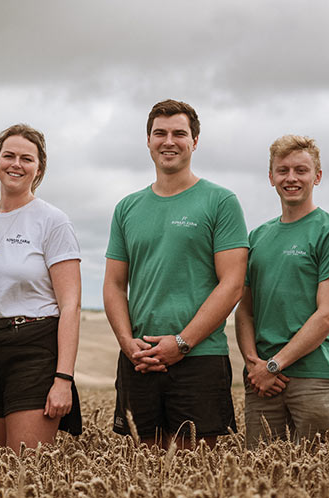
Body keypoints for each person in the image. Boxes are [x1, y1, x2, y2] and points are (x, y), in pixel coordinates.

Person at [103, 99, 248, 449]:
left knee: (194, 474)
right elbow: (113, 284)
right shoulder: (127, 207)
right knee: (142, 474)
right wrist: (127, 345)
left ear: (194, 141)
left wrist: (181, 343)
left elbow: (233, 284)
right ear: (148, 141)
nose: (169, 141)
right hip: (141, 359)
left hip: (199, 358)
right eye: (160, 133)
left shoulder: (220, 202)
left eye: (179, 133)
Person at [0, 124, 82, 453]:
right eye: (8, 155)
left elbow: (70, 306)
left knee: (26, 466)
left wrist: (63, 379)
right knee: (1, 468)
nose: (16, 164)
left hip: (33, 350)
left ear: (39, 168)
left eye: (27, 158)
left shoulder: (53, 221)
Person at [235, 135, 329, 448]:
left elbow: (327, 315)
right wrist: (254, 365)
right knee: (259, 478)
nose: (291, 178)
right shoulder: (257, 236)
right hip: (263, 383)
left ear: (317, 176)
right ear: (271, 176)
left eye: (301, 170)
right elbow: (245, 310)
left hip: (315, 376)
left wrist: (275, 364)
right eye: (283, 170)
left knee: (326, 475)